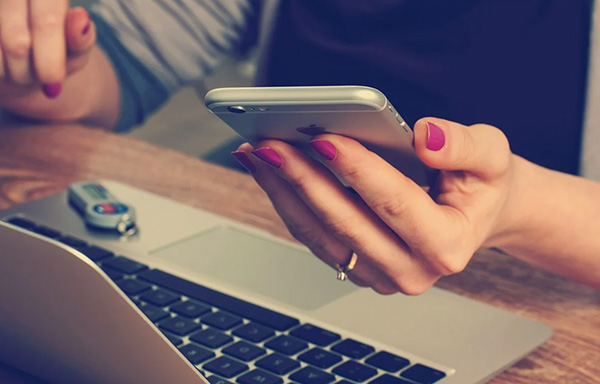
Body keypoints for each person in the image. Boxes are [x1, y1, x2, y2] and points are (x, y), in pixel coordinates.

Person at [0, 0, 598, 293]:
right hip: (270, 257)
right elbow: (123, 63)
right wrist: (39, 63)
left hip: (546, 304)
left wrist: (520, 206)